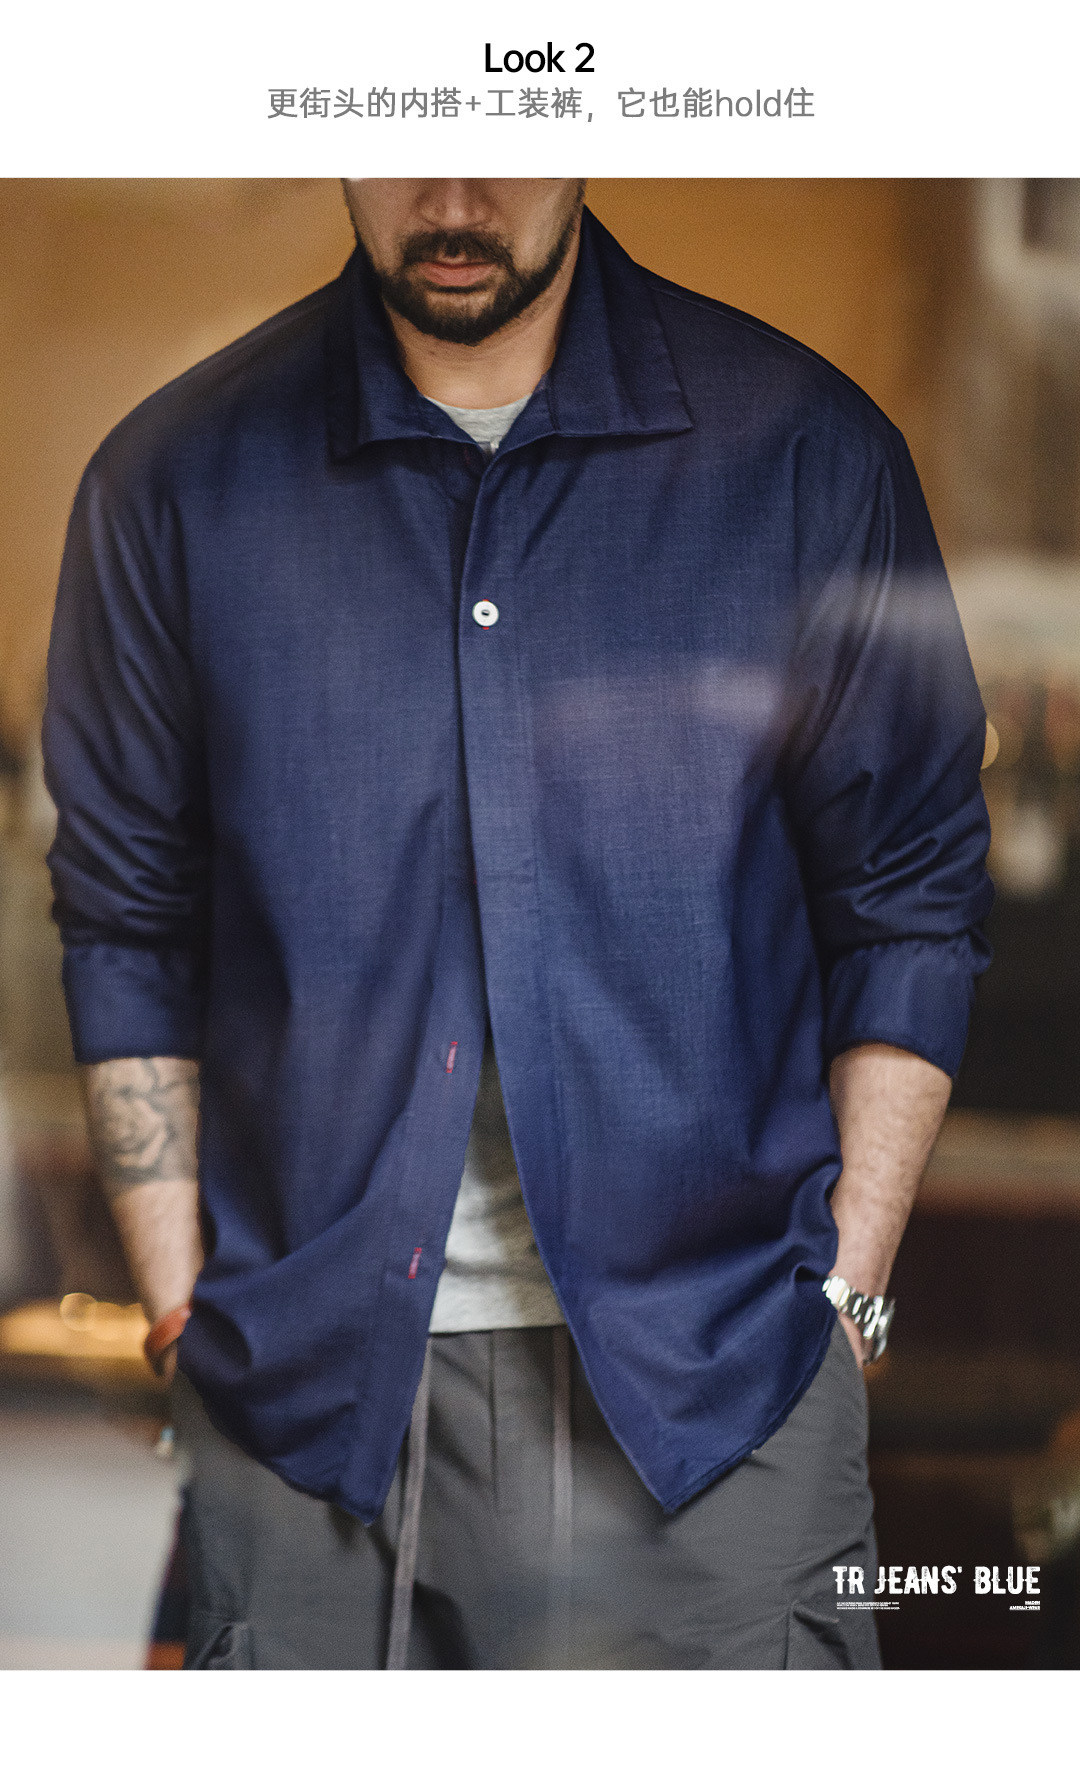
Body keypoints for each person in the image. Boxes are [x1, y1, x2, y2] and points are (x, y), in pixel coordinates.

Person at [43, 178, 993, 1670]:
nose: (454, 194)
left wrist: (848, 1296)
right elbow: (125, 923)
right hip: (299, 1411)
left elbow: (911, 898)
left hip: (720, 1396)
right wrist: (178, 1306)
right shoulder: (173, 480)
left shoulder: (806, 453)